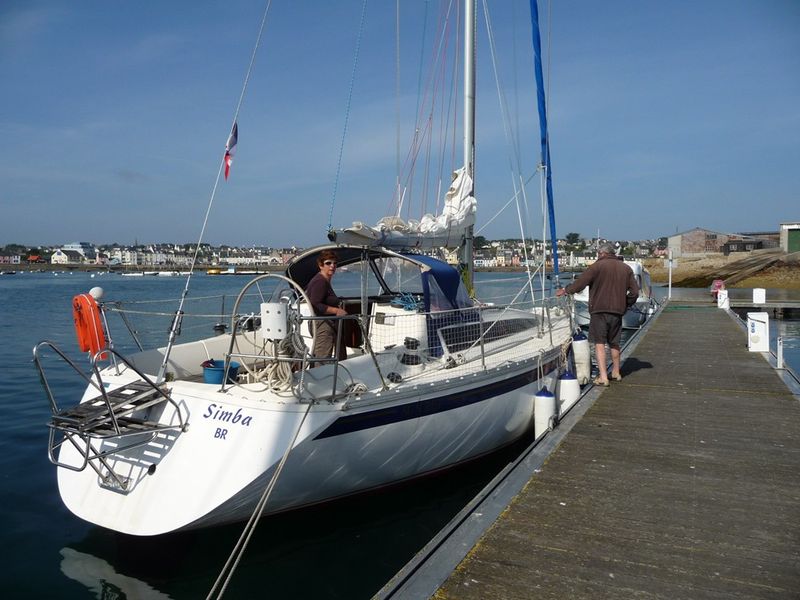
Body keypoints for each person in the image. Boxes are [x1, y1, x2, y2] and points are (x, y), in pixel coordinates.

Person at [556, 243, 638, 386]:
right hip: (617, 311)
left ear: (601, 253)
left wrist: (566, 290)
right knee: (614, 342)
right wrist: (626, 303)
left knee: (600, 343)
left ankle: (603, 377)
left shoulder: (596, 267)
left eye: (597, 254)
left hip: (599, 310)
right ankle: (616, 372)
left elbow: (580, 283)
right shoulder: (626, 268)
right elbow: (635, 292)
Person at [305, 250, 347, 364]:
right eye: (328, 263)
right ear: (321, 265)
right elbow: (315, 304)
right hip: (322, 324)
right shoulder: (320, 282)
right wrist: (336, 310)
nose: (332, 266)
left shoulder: (323, 280)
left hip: (323, 322)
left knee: (320, 356)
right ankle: (321, 380)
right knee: (323, 359)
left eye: (334, 263)